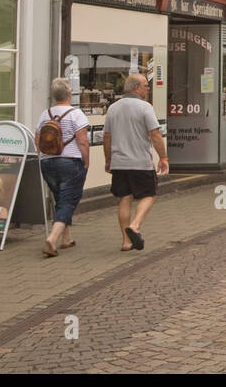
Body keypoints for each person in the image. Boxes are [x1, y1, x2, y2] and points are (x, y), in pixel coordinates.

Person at [102, 73, 168, 251]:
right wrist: (163, 158)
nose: (148, 88)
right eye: (146, 85)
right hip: (140, 162)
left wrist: (108, 160)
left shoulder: (113, 108)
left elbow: (107, 137)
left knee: (124, 198)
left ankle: (126, 241)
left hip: (119, 162)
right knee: (149, 194)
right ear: (136, 88)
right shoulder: (145, 107)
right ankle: (135, 225)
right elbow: (155, 134)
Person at [36, 77, 90, 258]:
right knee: (68, 200)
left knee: (60, 198)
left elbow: (38, 139)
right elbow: (82, 141)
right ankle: (52, 238)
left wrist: (42, 157)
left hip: (47, 162)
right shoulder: (76, 114)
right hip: (70, 162)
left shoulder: (45, 114)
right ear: (69, 94)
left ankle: (66, 238)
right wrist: (86, 160)